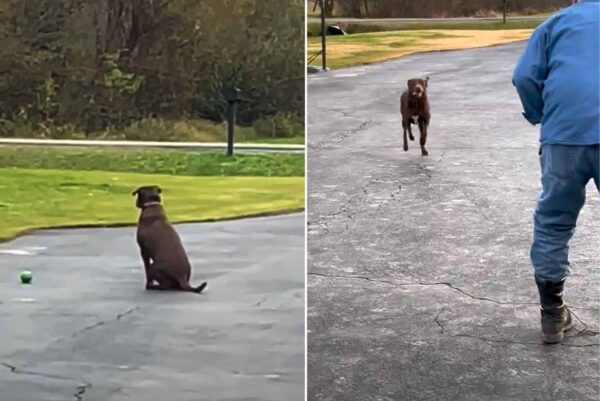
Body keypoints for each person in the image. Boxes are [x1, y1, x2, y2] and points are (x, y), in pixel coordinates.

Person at [512, 0, 599, 344]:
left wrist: (542, 115)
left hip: (563, 136)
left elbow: (523, 76)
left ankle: (552, 315)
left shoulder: (556, 23)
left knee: (553, 221)